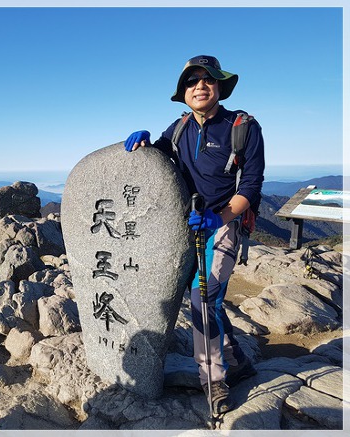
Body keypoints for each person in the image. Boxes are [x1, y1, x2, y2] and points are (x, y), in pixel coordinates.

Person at [124, 55, 264, 414]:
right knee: (207, 299)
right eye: (191, 81)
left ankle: (213, 382)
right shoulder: (180, 128)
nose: (200, 86)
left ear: (219, 86)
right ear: (183, 91)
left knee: (203, 299)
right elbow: (159, 159)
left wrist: (220, 218)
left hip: (224, 224)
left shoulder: (242, 127)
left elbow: (251, 184)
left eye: (208, 79)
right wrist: (144, 143)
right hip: (187, 226)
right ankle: (238, 361)